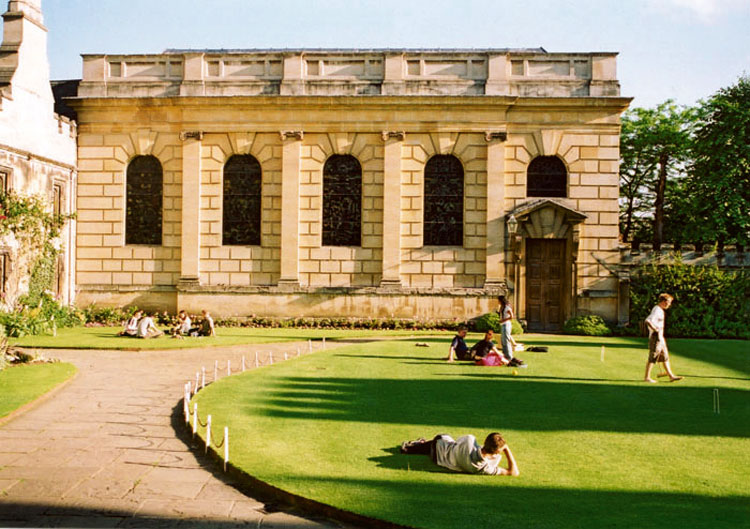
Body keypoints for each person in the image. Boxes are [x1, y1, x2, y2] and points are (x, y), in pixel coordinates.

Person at [400, 432, 520, 477]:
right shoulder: (484, 467)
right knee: (441, 445)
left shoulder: (470, 440)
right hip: (438, 461)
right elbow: (514, 472)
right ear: (497, 452)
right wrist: (507, 450)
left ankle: (417, 445)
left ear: (485, 442)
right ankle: (418, 445)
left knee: (445, 438)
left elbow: (457, 442)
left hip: (438, 445)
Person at [644, 293, 683, 383]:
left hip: (660, 337)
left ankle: (671, 376)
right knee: (653, 357)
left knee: (665, 357)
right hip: (656, 337)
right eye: (668, 302)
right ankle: (647, 377)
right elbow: (648, 320)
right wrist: (655, 329)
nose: (669, 304)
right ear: (663, 302)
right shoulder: (657, 310)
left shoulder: (660, 310)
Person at [497, 296, 524, 366]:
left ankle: (509, 356)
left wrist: (503, 320)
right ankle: (505, 355)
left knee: (506, 340)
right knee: (503, 341)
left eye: (498, 300)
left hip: (506, 325)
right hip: (503, 325)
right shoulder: (502, 307)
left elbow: (511, 316)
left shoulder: (507, 307)